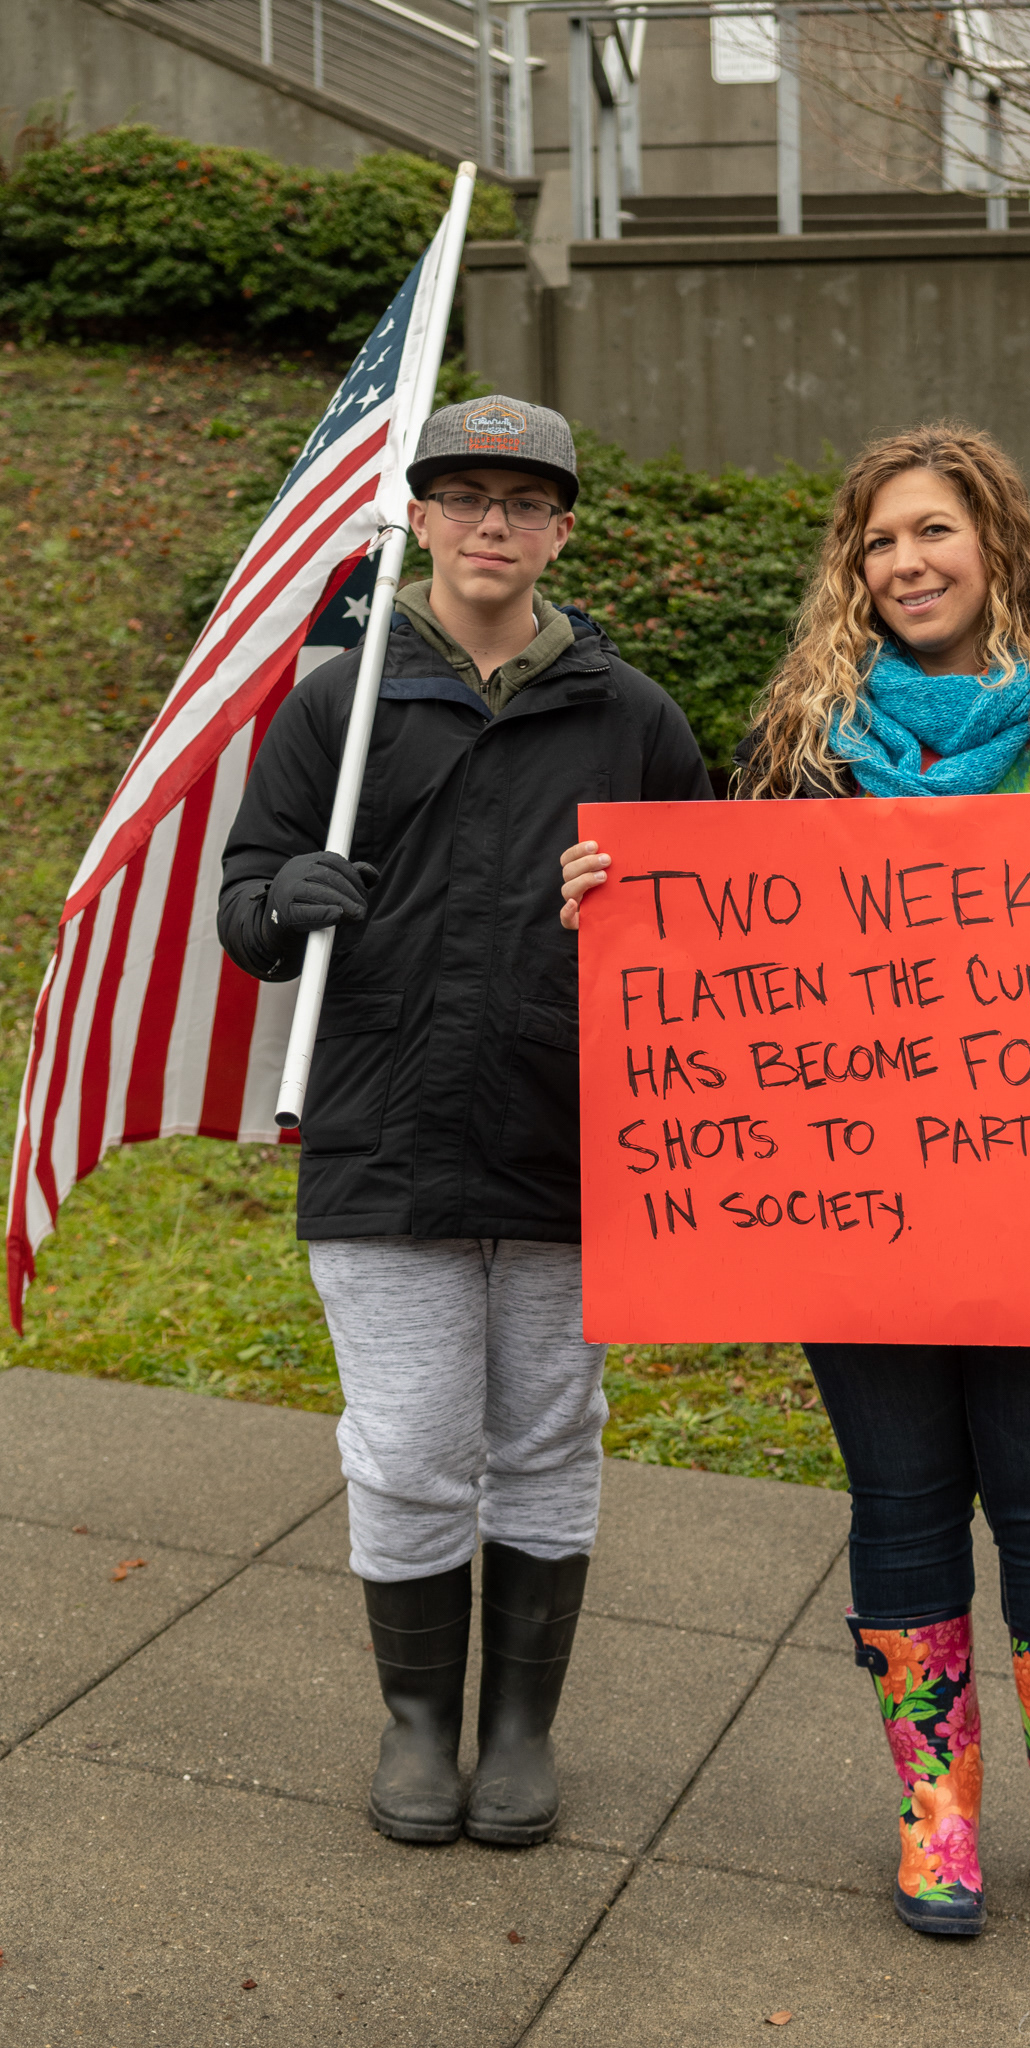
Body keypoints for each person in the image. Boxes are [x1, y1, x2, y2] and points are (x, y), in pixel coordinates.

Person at [559, 423, 1030, 1956]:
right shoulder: (799, 744)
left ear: (995, 544)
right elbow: (726, 956)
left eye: (932, 531)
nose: (905, 562)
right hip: (860, 1215)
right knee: (899, 1509)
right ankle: (938, 1813)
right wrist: (616, 913)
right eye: (878, 540)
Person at [219, 395, 711, 1849]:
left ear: (561, 531)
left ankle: (518, 1733)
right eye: (466, 497)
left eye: (525, 501)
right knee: (412, 1442)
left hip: (573, 1138)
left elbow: (715, 923)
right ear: (421, 519)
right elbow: (245, 898)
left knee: (549, 1436)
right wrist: (280, 900)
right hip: (385, 1132)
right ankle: (421, 1724)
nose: (494, 523)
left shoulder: (631, 716)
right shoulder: (341, 700)